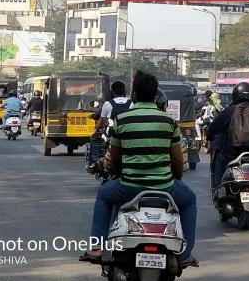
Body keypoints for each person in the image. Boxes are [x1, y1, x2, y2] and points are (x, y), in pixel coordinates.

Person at [81, 70, 197, 266]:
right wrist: (174, 179)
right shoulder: (169, 122)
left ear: (134, 94)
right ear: (155, 95)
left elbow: (115, 158)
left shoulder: (123, 120)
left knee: (103, 196)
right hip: (165, 187)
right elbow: (177, 160)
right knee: (190, 201)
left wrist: (118, 173)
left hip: (128, 187)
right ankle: (184, 254)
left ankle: (96, 247)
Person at [204, 82, 249, 191]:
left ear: (235, 95)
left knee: (218, 157)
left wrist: (209, 136)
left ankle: (218, 187)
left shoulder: (227, 112)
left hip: (230, 153)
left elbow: (212, 129)